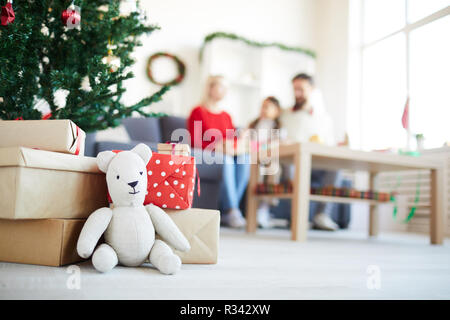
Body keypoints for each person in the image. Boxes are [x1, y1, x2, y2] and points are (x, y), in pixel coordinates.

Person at [280, 73, 341, 231]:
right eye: (295, 89)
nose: (297, 93)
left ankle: (321, 215)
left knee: (336, 167)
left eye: (301, 89)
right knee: (289, 167)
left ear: (312, 89)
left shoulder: (324, 118)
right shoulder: (284, 115)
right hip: (292, 161)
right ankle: (296, 216)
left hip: (316, 164)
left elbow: (330, 145)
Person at [187, 75, 250, 228]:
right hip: (207, 154)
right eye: (221, 86)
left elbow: (232, 138)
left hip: (226, 152)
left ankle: (229, 211)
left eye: (226, 88)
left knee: (245, 159)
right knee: (226, 161)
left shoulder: (226, 115)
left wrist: (236, 142)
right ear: (210, 88)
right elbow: (195, 141)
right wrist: (215, 147)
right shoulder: (198, 111)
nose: (225, 91)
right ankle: (232, 210)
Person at [248, 96, 282, 228]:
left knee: (274, 167)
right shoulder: (253, 125)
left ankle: (264, 209)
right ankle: (256, 210)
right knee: (258, 168)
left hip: (270, 158)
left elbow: (278, 145)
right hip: (254, 158)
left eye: (267, 107)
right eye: (262, 106)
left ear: (277, 111)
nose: (263, 109)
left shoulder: (278, 128)